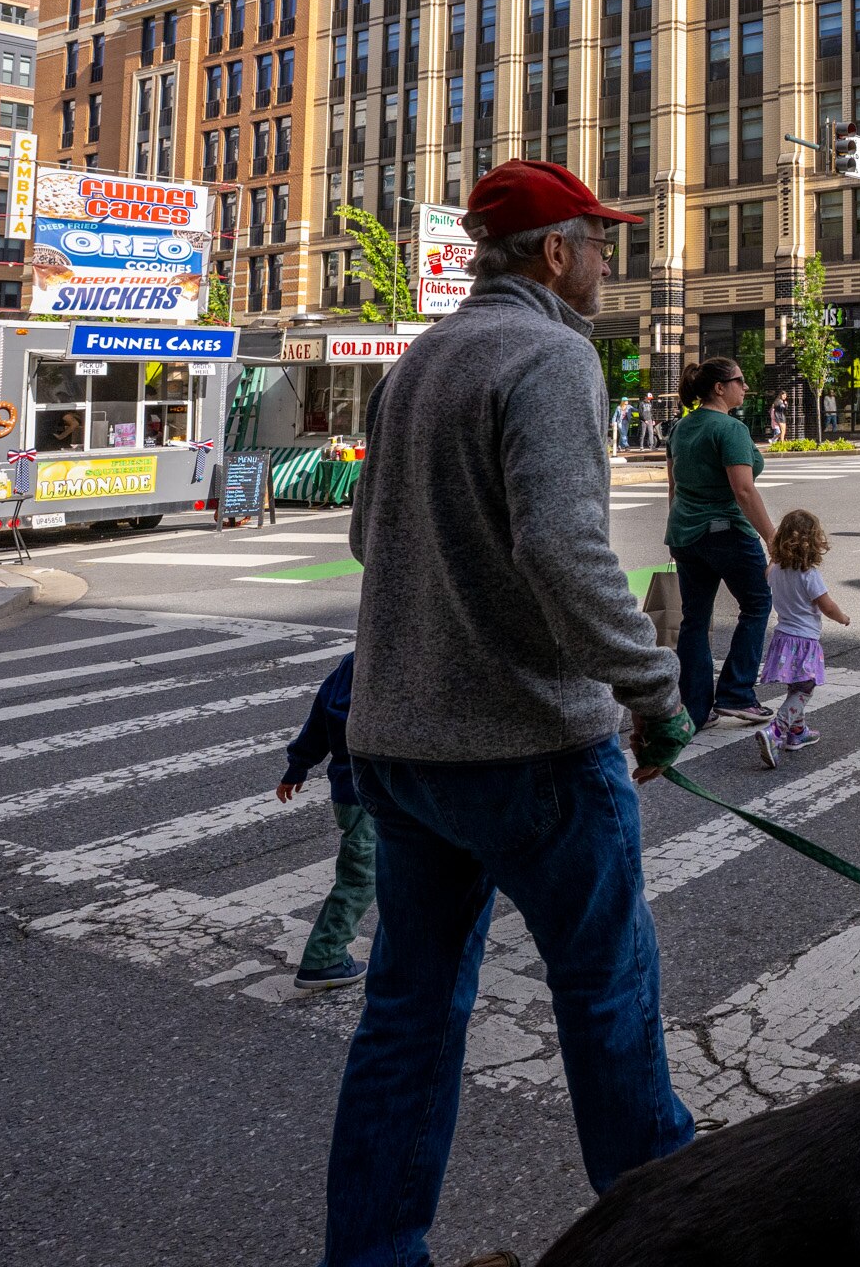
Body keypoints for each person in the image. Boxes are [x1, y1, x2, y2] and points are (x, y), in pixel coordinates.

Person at [327, 158, 701, 1265]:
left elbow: (364, 539)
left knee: (409, 1014)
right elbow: (564, 547)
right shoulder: (551, 352)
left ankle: (373, 1252)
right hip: (530, 746)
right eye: (598, 239)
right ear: (552, 254)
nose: (607, 258)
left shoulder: (420, 360)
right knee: (609, 998)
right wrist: (655, 690)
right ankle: (665, 1243)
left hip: (399, 747)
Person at [665, 357, 776, 728]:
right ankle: (736, 693)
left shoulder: (680, 428)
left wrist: (676, 530)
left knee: (694, 620)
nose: (745, 387)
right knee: (758, 603)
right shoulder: (730, 429)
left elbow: (674, 487)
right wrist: (773, 538)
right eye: (740, 380)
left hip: (686, 535)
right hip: (727, 530)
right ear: (719, 387)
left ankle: (696, 708)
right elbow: (743, 490)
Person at [275, 651, 372, 994]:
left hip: (351, 791)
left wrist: (298, 765)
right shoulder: (397, 659)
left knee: (384, 868)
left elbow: (320, 715)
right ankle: (324, 957)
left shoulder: (352, 661)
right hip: (369, 792)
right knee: (361, 876)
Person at [752, 510, 849, 769]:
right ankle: (776, 731)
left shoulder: (774, 571)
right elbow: (826, 605)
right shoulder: (809, 575)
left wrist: (774, 557)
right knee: (805, 688)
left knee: (796, 685)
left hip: (783, 637)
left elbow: (769, 570)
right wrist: (842, 618)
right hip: (804, 640)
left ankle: (798, 732)